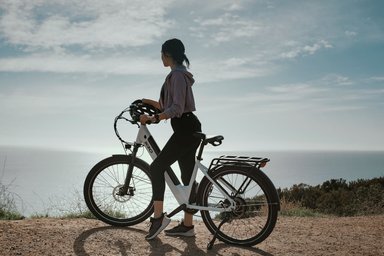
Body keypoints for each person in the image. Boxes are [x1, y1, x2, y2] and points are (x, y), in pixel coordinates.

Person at [140, 38, 202, 240]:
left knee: (156, 167)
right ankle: (187, 226)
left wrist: (155, 118)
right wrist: (144, 102)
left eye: (161, 54)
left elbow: (175, 109)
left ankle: (158, 218)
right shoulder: (177, 75)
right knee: (187, 176)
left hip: (185, 129)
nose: (161, 57)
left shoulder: (176, 76)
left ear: (167, 55)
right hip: (188, 127)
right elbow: (166, 105)